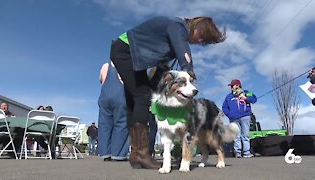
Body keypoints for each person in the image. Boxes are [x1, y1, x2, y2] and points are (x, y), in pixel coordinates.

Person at [110, 16, 226, 169]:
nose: (200, 42)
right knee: (142, 97)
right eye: (202, 37)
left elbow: (160, 65)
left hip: (131, 56)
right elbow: (183, 51)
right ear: (197, 28)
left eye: (204, 42)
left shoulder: (171, 38)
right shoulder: (178, 26)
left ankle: (136, 155)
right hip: (125, 51)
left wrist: (157, 87)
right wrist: (188, 69)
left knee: (136, 100)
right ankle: (141, 154)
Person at [98, 61, 129, 161]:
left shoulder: (105, 66)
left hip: (104, 97)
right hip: (120, 96)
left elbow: (101, 80)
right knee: (121, 123)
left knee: (104, 125)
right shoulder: (125, 64)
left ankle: (105, 153)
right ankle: (118, 154)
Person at [222, 79, 257, 158]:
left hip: (245, 116)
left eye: (232, 85)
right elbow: (224, 107)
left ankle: (246, 152)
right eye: (231, 86)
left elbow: (254, 99)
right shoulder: (229, 96)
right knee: (236, 135)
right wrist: (229, 114)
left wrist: (246, 98)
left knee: (245, 135)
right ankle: (237, 152)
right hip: (233, 118)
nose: (231, 87)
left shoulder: (247, 92)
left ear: (238, 85)